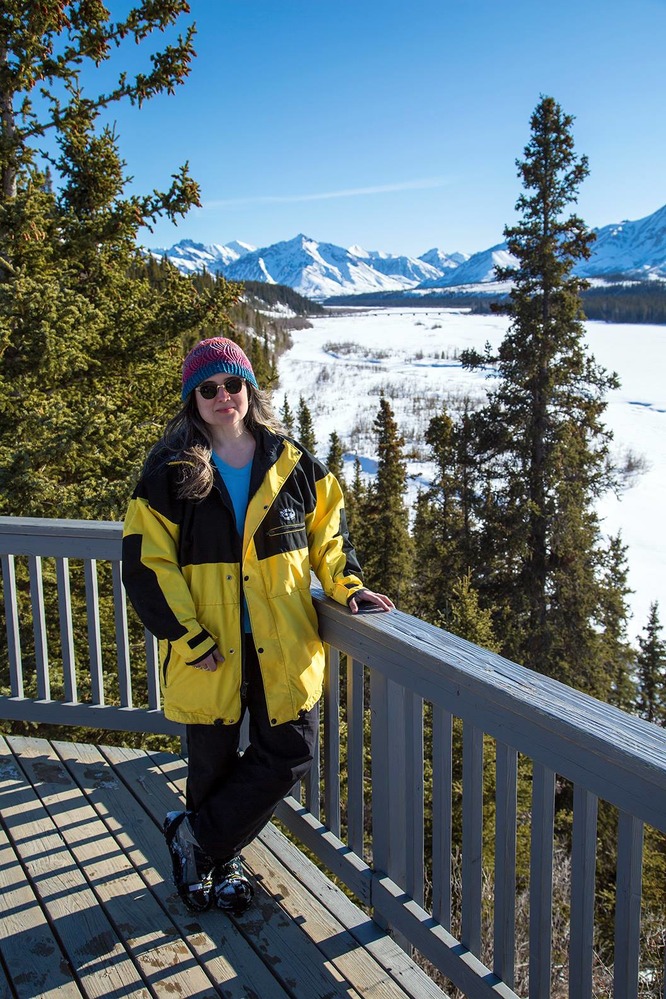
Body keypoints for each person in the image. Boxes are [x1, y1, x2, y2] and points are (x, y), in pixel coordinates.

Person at [122, 336, 393, 914]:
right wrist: (188, 638)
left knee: (291, 750)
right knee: (213, 761)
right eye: (209, 388)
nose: (224, 397)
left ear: (250, 389)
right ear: (192, 399)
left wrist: (349, 588)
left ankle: (197, 839)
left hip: (281, 642)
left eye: (233, 384)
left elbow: (331, 540)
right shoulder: (171, 473)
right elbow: (148, 563)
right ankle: (221, 863)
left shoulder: (294, 465)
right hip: (209, 645)